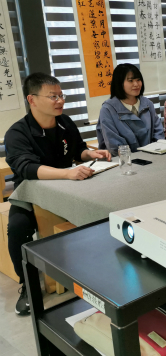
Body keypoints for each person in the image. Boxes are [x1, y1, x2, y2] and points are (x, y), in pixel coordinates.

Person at [5, 73, 111, 316]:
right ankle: (28, 283)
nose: (60, 101)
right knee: (18, 227)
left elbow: (78, 150)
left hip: (70, 188)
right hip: (31, 193)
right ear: (32, 99)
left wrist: (90, 155)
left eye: (61, 95)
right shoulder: (17, 132)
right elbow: (26, 168)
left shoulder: (65, 122)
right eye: (53, 96)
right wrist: (67, 174)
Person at [96, 63, 164, 155]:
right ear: (119, 83)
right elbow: (114, 145)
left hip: (153, 156)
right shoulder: (108, 109)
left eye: (138, 80)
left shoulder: (148, 104)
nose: (136, 84)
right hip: (123, 160)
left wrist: (157, 150)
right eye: (131, 81)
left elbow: (158, 133)